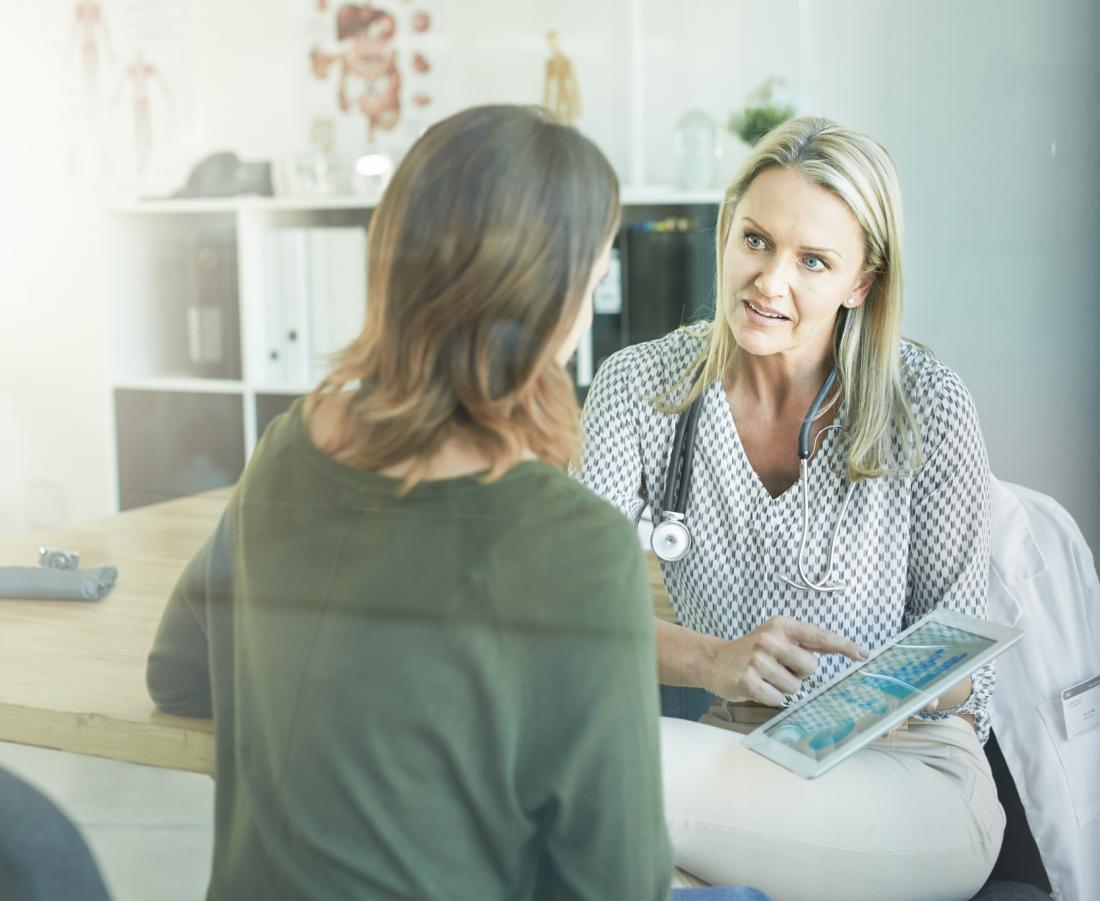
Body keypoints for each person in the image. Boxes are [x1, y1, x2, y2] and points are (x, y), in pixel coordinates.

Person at [146, 104, 768, 901]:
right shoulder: (574, 545)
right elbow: (613, 881)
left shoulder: (284, 450)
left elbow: (178, 676)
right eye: (594, 271)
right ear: (554, 301)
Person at [577, 116, 1004, 901]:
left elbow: (962, 674)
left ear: (862, 281)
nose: (771, 282)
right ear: (725, 233)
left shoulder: (929, 405)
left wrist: (897, 680)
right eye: (756, 241)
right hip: (739, 754)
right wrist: (715, 660)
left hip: (908, 768)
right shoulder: (640, 388)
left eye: (814, 261)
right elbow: (573, 619)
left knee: (592, 781)